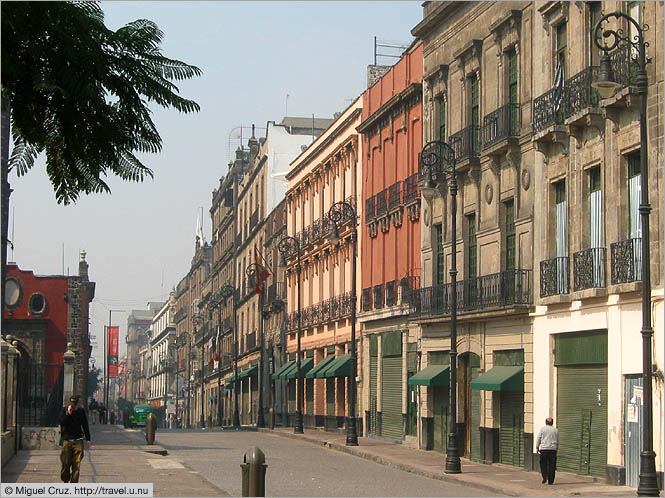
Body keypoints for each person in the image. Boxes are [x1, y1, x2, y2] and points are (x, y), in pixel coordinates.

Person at [59, 395, 91, 483]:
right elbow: (62, 423)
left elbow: (85, 425)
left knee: (76, 464)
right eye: (72, 404)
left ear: (77, 404)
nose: (73, 406)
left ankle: (74, 483)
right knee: (65, 462)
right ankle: (65, 479)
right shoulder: (64, 410)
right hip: (67, 440)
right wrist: (68, 414)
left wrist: (88, 439)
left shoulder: (81, 411)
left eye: (75, 405)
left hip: (78, 440)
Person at [536, 417, 559, 485]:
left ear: (546, 422)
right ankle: (551, 481)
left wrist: (537, 447)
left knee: (543, 464)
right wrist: (556, 449)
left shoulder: (542, 429)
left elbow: (538, 438)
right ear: (552, 423)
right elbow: (558, 440)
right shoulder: (555, 430)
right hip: (552, 450)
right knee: (552, 465)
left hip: (544, 449)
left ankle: (544, 477)